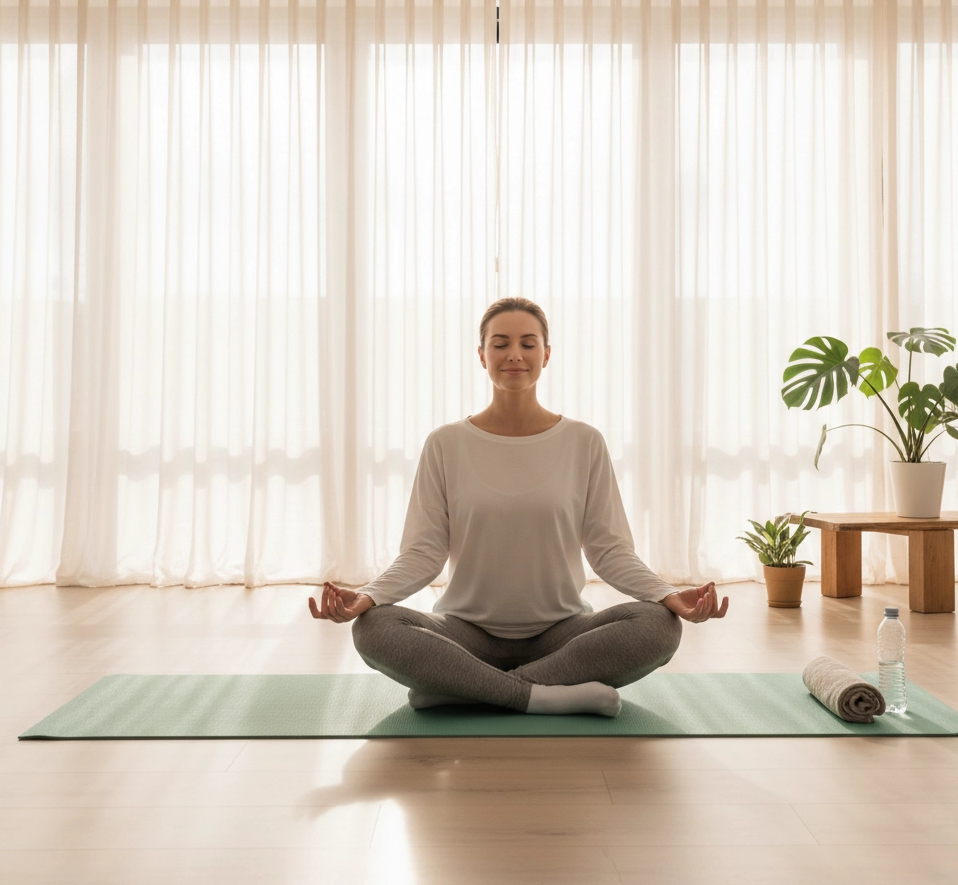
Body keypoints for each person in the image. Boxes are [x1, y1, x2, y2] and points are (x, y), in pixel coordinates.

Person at [310, 297, 728, 717]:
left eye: (528, 344)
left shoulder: (584, 442)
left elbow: (610, 551)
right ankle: (543, 695)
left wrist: (667, 595)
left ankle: (462, 688)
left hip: (562, 635)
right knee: (375, 628)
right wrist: (368, 596)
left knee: (658, 626)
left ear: (546, 355)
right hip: (464, 633)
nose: (514, 354)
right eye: (500, 344)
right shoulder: (445, 444)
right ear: (482, 355)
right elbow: (424, 552)